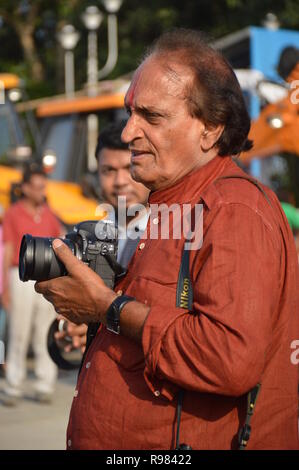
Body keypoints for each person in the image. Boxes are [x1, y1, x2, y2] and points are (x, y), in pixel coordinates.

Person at [35, 29, 299, 449]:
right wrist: (87, 324)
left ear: (211, 129)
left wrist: (107, 308)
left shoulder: (232, 210)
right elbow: (146, 331)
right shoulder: (166, 207)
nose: (127, 134)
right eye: (130, 113)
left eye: (151, 118)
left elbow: (229, 359)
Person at [56, 120, 150, 351]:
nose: (119, 181)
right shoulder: (87, 237)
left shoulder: (172, 235)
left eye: (129, 169)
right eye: (109, 170)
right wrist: (74, 329)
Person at [1, 164, 62, 405]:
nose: (42, 191)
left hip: (45, 276)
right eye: (37, 187)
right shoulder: (13, 213)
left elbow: (59, 243)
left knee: (44, 331)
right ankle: (14, 385)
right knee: (18, 332)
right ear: (25, 188)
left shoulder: (49, 213)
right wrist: (4, 285)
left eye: (43, 186)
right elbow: (7, 250)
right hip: (21, 277)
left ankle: (45, 383)